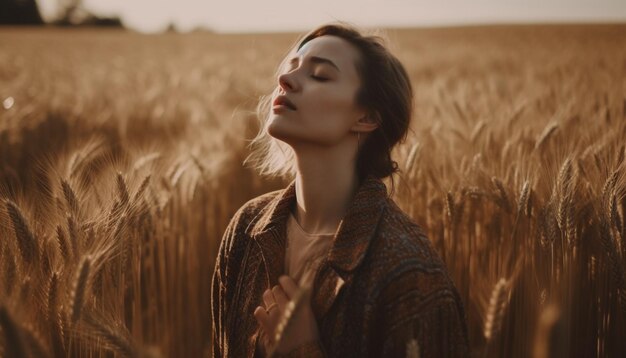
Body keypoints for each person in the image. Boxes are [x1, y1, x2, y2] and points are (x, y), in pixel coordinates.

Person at [211, 22, 469, 357]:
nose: (285, 80)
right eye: (290, 68)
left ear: (366, 117)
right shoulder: (245, 228)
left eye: (319, 75)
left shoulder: (409, 271)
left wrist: (303, 350)